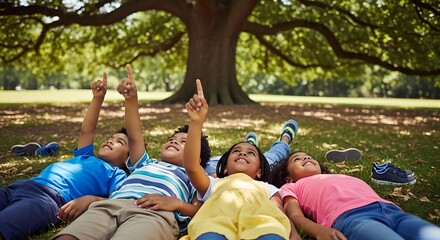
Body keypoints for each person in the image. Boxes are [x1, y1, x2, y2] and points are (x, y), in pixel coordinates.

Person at [0, 65, 146, 240]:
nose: (110, 141)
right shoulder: (85, 156)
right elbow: (87, 131)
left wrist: (91, 200)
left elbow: (119, 201)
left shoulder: (117, 175)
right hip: (21, 185)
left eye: (119, 142)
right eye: (111, 138)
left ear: (128, 160)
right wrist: (98, 98)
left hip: (48, 200)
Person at [52, 91, 211, 239]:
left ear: (197, 158)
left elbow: (199, 211)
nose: (174, 141)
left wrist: (177, 203)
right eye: (172, 139)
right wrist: (131, 100)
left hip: (154, 214)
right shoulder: (146, 163)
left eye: (185, 142)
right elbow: (134, 136)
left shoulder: (195, 178)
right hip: (110, 206)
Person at [181, 79, 296, 240]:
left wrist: (294, 234)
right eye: (236, 151)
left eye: (250, 153)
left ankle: (275, 139)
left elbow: (279, 213)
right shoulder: (213, 184)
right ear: (225, 168)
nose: (242, 154)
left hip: (263, 224)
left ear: (259, 172)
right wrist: (196, 122)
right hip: (215, 224)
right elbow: (192, 166)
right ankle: (251, 142)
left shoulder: (266, 187)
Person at [271, 151, 440, 240]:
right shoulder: (291, 186)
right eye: (297, 159)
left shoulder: (336, 176)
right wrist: (318, 231)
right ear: (288, 177)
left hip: (394, 213)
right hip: (353, 218)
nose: (306, 157)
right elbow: (294, 216)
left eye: (308, 156)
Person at [204, 119, 299, 176]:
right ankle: (284, 140)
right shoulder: (262, 171)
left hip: (219, 161)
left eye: (250, 152)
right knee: (273, 155)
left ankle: (250, 145)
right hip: (223, 165)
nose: (242, 153)